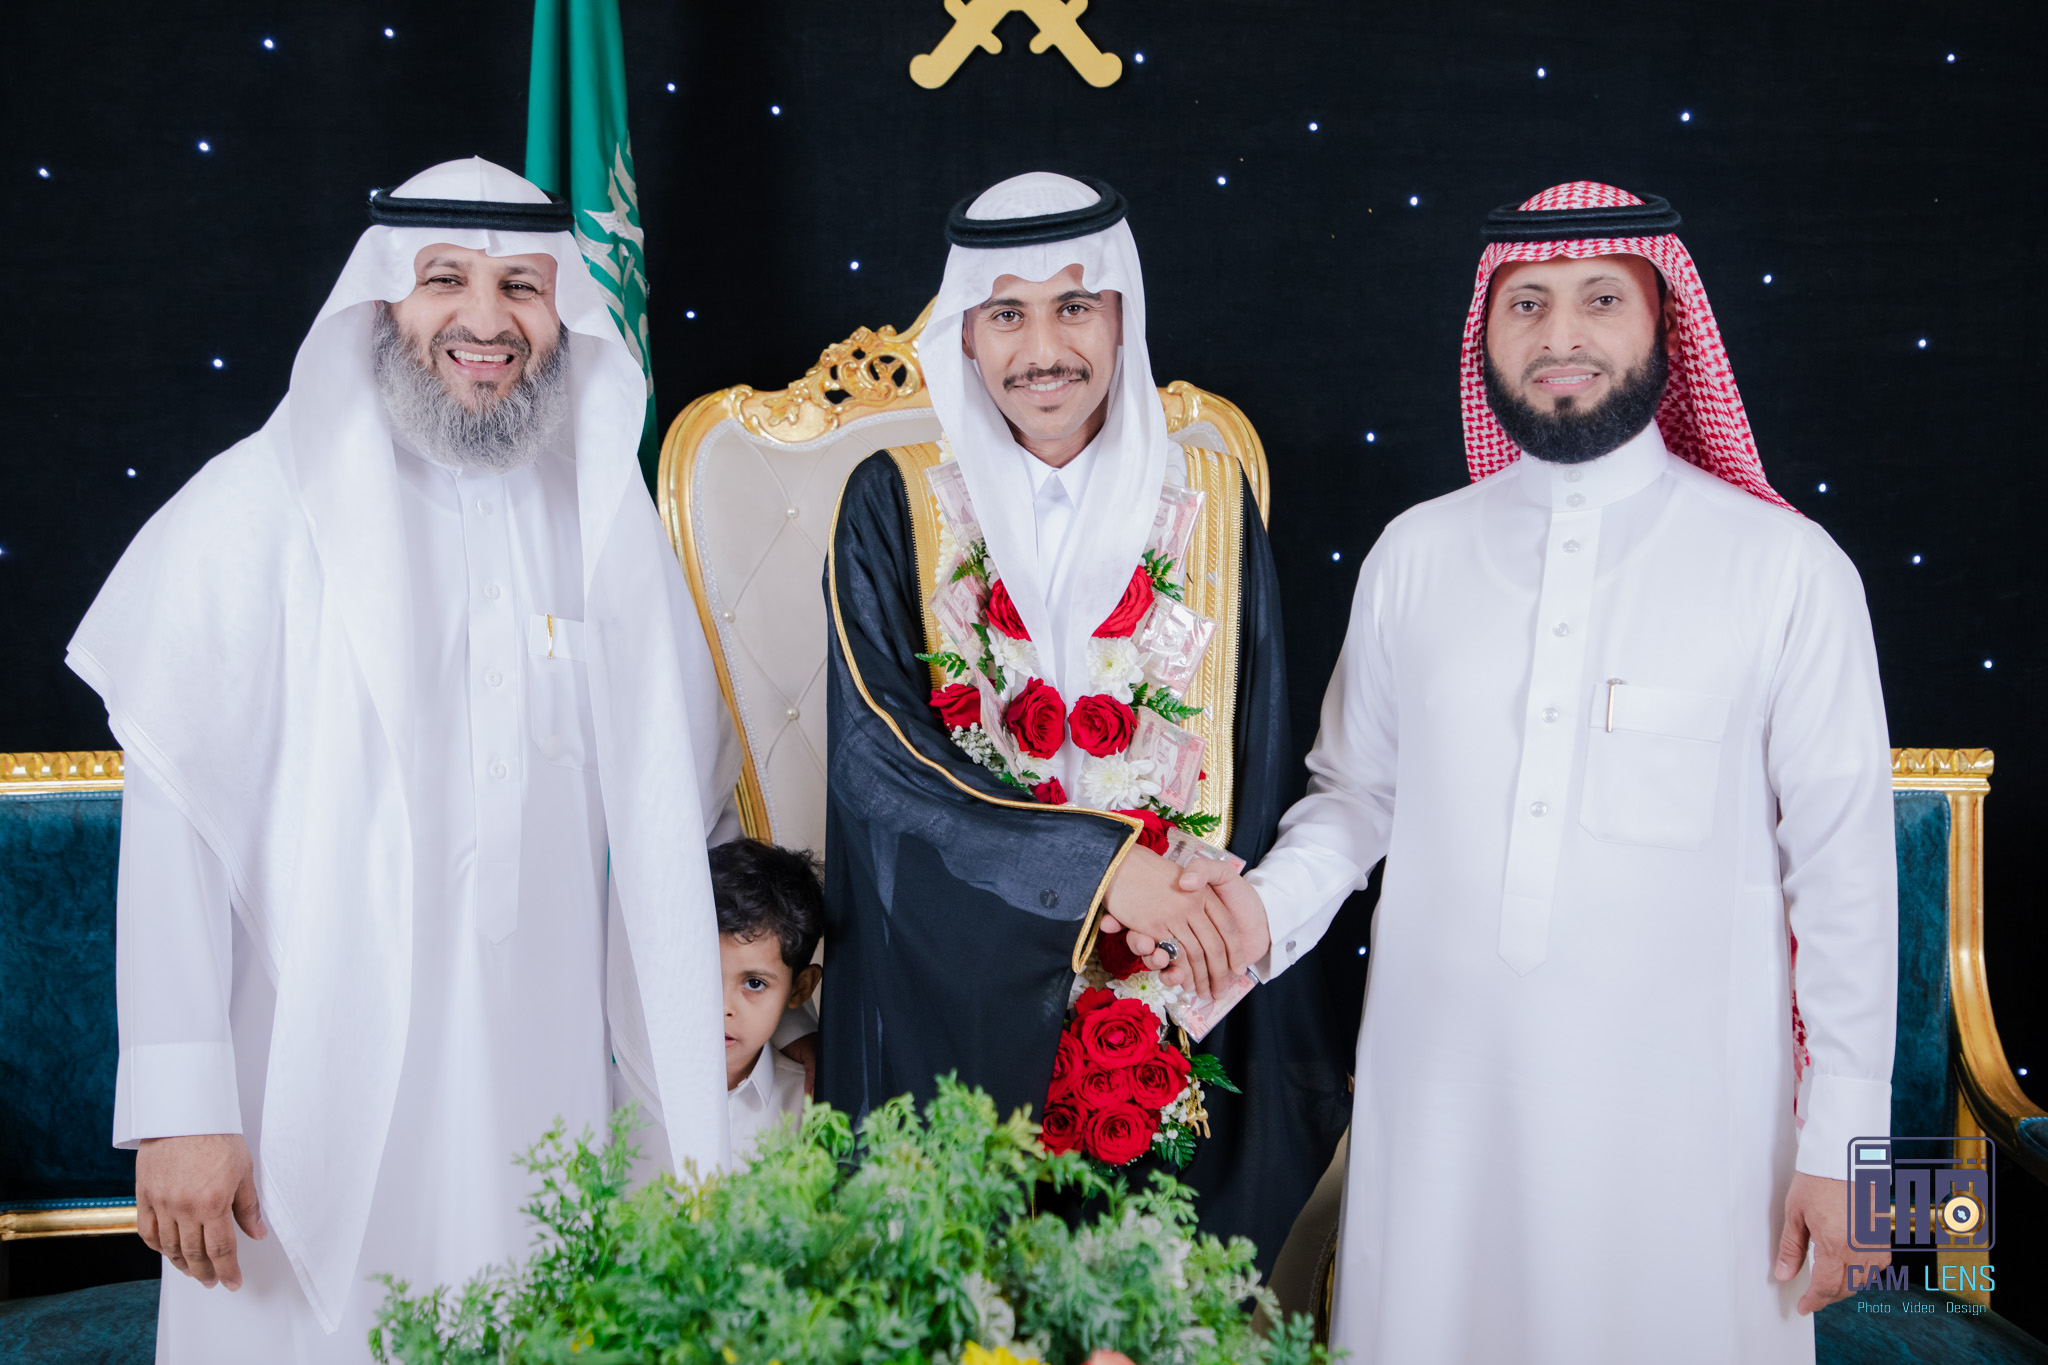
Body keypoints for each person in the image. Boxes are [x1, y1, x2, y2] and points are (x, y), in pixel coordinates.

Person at [1166, 181, 1898, 1362]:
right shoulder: (1415, 554)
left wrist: (1852, 1155)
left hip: (1691, 1139)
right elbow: (1354, 799)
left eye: (1600, 300)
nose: (1561, 335)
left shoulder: (1785, 570)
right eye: (1526, 303)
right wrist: (1254, 915)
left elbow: (1846, 878)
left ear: (1663, 324)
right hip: (1443, 1118)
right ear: (1484, 333)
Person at [69, 157, 741, 1362]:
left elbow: (674, 817)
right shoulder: (257, 509)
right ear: (381, 301)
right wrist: (180, 1109)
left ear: (562, 314)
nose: (486, 320)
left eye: (522, 287)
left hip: (546, 1085)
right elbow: (175, 832)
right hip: (303, 1100)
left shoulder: (602, 519)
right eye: (444, 280)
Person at [821, 171, 1360, 1272]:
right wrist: (1101, 871)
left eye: (1073, 306)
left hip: (1166, 985)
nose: (1043, 349)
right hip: (953, 962)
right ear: (965, 337)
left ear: (1121, 319)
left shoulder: (1209, 503)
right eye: (1006, 315)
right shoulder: (894, 498)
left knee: (1150, 1290)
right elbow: (878, 756)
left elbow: (1252, 761)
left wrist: (1184, 924)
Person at [712, 838, 823, 1167]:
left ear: (800, 989)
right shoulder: (618, 1094)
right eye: (705, 976)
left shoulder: (813, 1110)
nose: (722, 1008)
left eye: (754, 983)